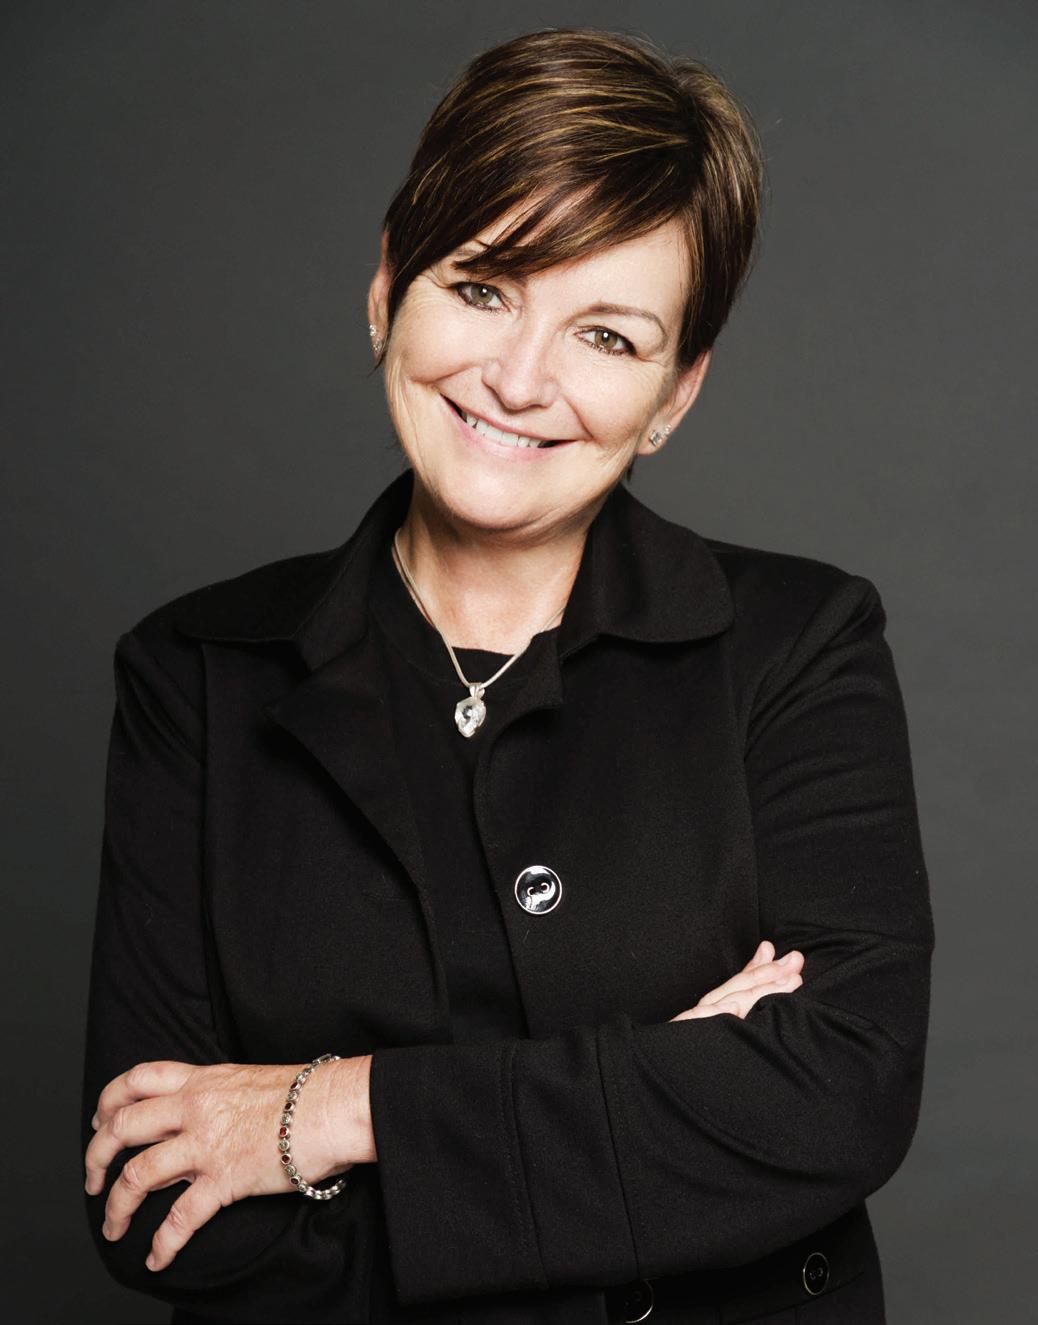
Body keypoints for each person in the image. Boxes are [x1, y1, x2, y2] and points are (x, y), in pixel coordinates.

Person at [81, 25, 934, 1325]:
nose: (519, 380)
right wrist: (668, 1093)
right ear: (388, 288)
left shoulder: (801, 644)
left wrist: (333, 1110)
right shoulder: (194, 677)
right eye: (483, 289)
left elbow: (839, 1098)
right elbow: (161, 1208)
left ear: (675, 394)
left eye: (607, 337)